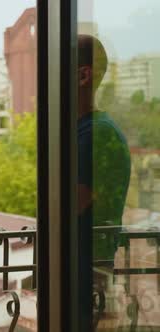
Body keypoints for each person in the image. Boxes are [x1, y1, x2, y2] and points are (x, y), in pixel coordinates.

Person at [76, 34, 131, 328]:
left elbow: (66, 207)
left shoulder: (96, 135)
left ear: (83, 75)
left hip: (85, 275)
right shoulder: (89, 131)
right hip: (84, 272)